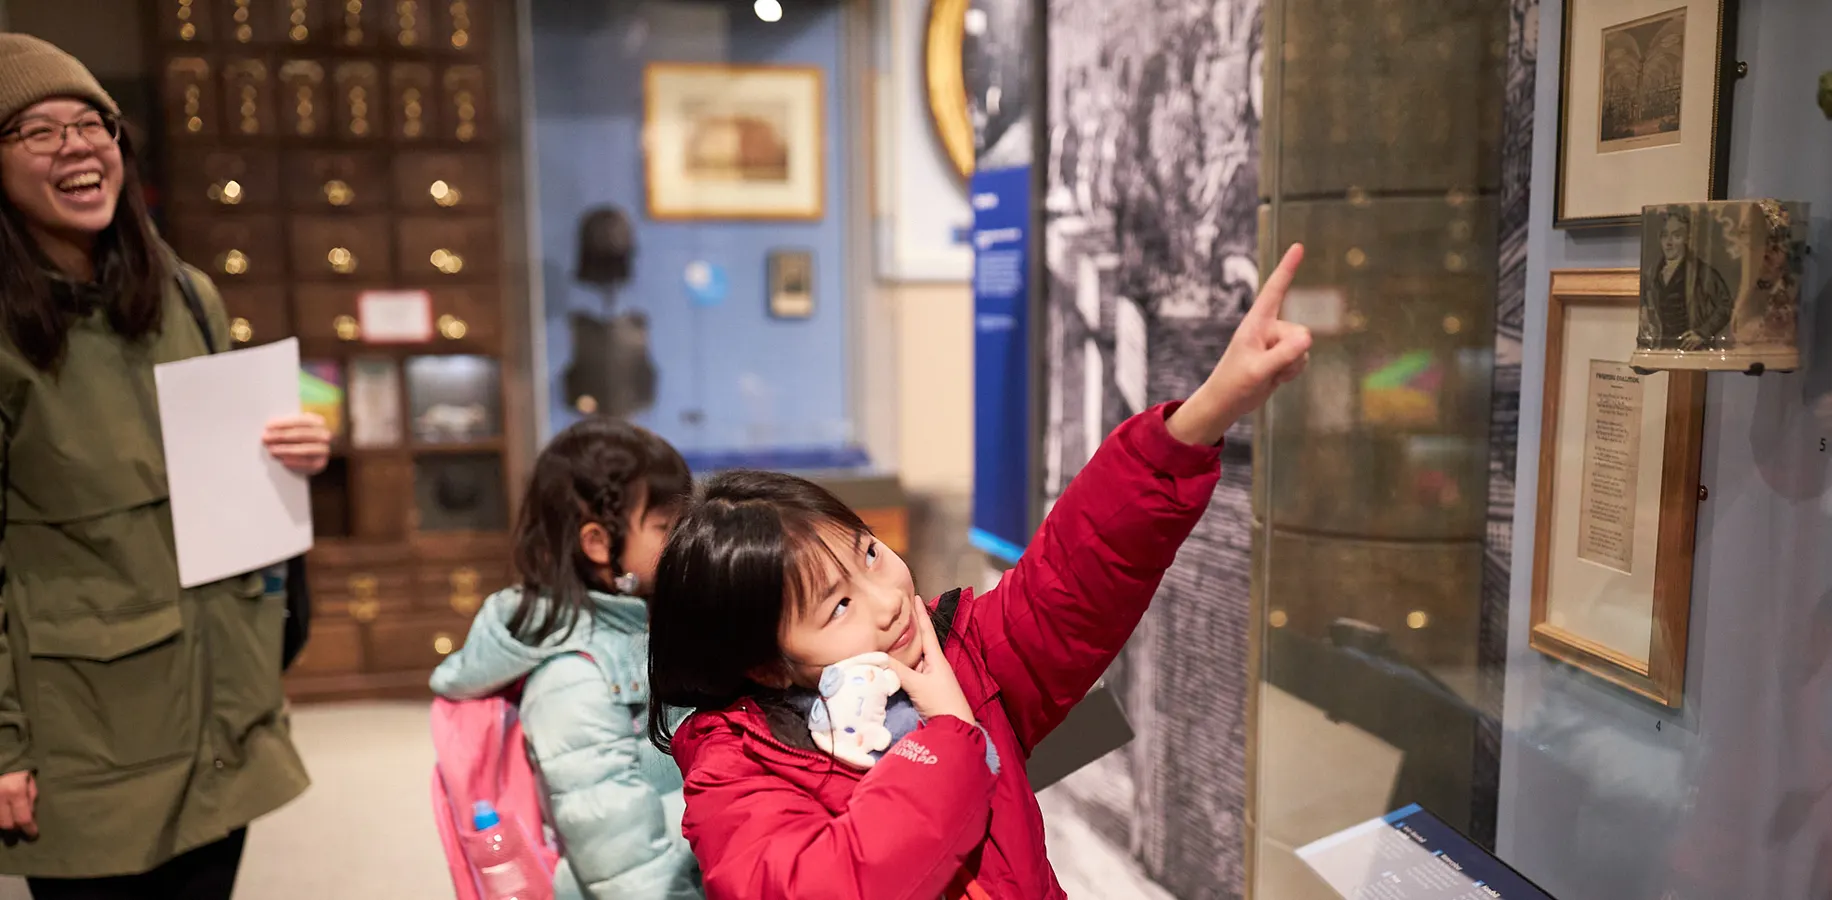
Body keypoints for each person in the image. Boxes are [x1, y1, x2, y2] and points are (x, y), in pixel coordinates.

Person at [647, 244, 1315, 899]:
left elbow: (1080, 571)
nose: (887, 602)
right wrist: (948, 735)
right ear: (766, 664)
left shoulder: (959, 648)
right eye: (838, 606)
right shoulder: (735, 771)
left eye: (871, 554)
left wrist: (1206, 414)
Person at [0, 33, 330, 899]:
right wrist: (2, 746)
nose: (75, 145)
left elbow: (235, 491)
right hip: (85, 735)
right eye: (36, 132)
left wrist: (294, 451)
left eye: (91, 123)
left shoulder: (186, 294)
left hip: (219, 713)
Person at [431, 418, 703, 899]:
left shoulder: (646, 621)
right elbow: (618, 851)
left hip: (694, 857)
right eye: (667, 527)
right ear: (597, 542)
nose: (688, 537)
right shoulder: (575, 676)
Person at [1647, 208, 1733, 351]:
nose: (1669, 242)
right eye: (1665, 235)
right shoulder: (1652, 273)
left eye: (1676, 236)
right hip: (1663, 349)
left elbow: (1726, 305)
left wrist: (1702, 333)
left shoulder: (1702, 272)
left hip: (1693, 350)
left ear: (1687, 239)